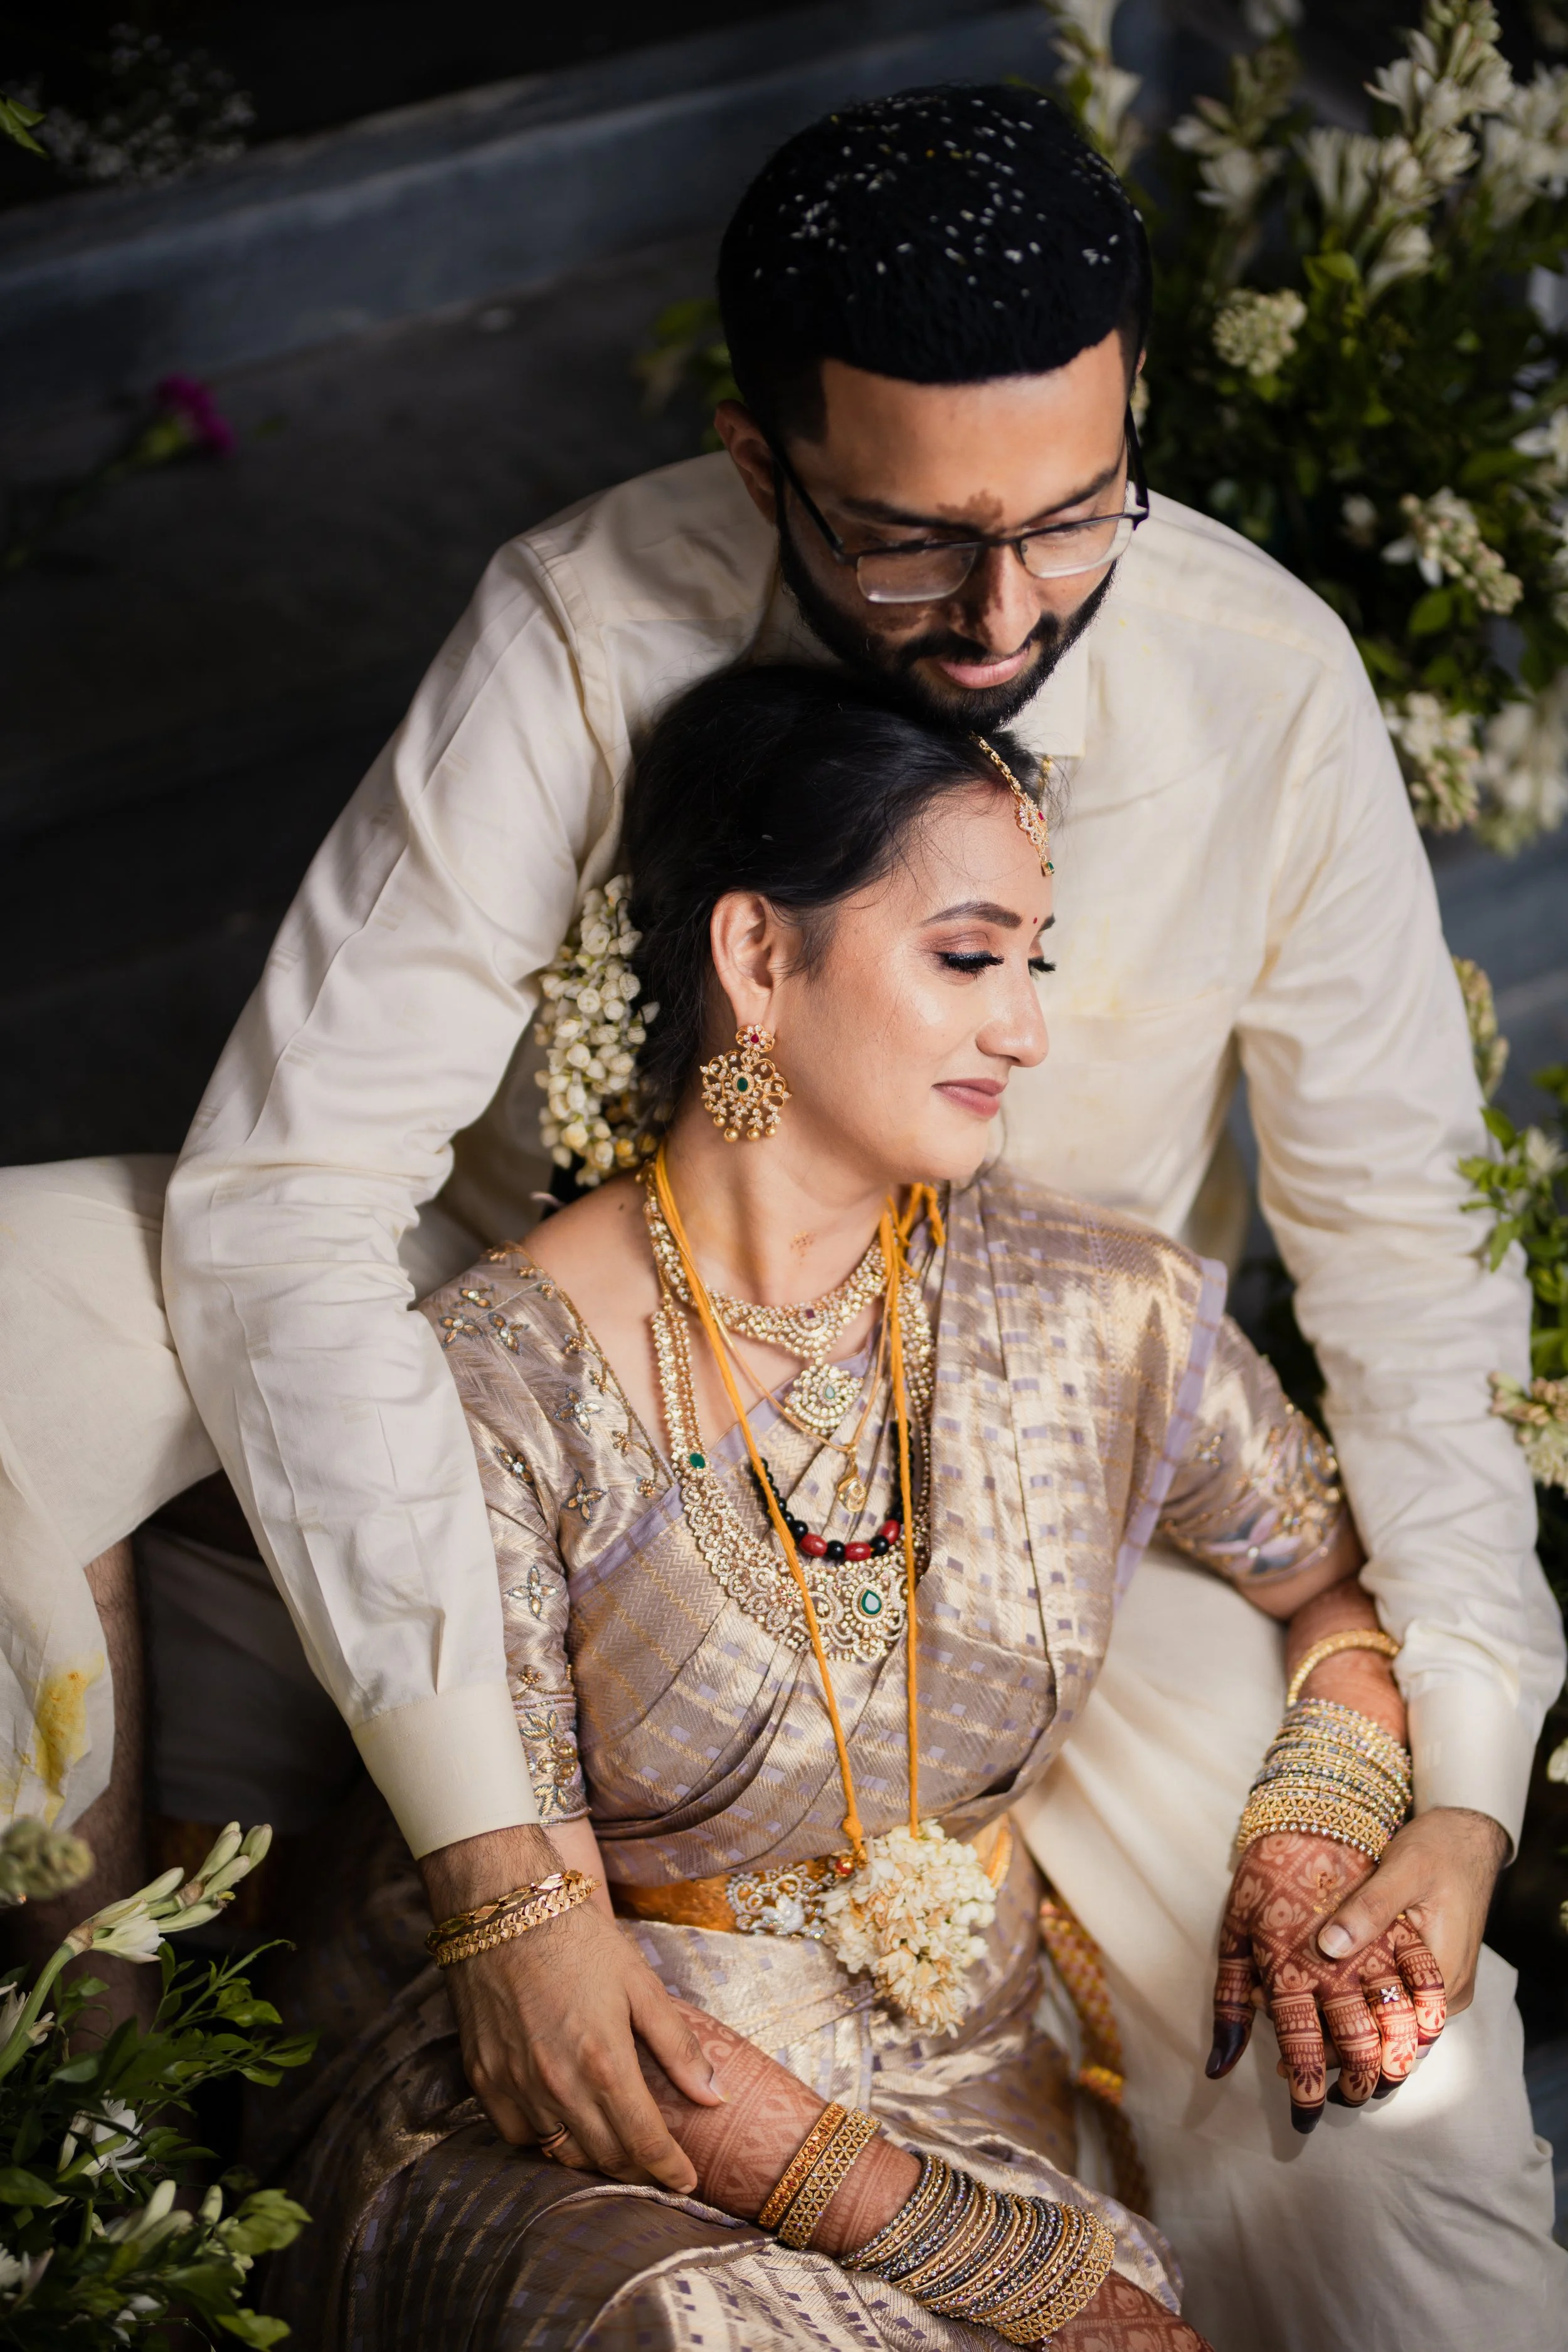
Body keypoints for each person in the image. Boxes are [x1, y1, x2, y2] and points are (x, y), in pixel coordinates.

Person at [0, 82, 1560, 2346]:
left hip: (1036, 1484)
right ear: (760, 463)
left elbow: (1412, 1261)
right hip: (561, 1358)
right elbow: (292, 1187)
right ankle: (92, 2177)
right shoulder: (576, 620)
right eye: (917, 545)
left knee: (1400, 2084)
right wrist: (503, 1869)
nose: (1006, 612)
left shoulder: (1259, 677)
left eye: (1076, 515)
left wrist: (1459, 1785)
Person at [258, 664, 1447, 2352]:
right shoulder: (497, 1379)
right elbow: (559, 2001)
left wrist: (1311, 1820)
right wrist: (1033, 2283)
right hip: (581, 2137)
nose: (1024, 1024)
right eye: (968, 956)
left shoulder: (1091, 1310)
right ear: (758, 956)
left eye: (1032, 963)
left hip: (976, 2085)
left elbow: (1336, 1591)